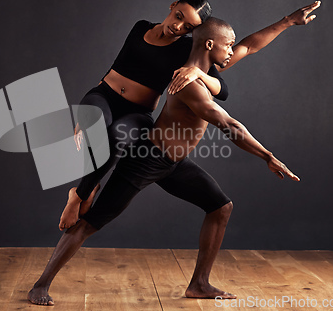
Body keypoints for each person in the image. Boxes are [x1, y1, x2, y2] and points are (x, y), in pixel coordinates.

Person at [28, 18, 301, 306]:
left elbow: (249, 47)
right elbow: (228, 124)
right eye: (228, 45)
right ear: (209, 45)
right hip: (146, 160)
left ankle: (199, 284)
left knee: (220, 207)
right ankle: (40, 285)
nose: (233, 50)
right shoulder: (188, 84)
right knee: (91, 223)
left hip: (173, 163)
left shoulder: (204, 71)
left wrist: (288, 21)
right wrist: (268, 156)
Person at [59, 0, 320, 231]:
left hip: (139, 112)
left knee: (117, 137)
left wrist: (200, 73)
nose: (178, 26)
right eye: (179, 16)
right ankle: (84, 190)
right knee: (95, 125)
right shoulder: (140, 27)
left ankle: (79, 195)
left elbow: (239, 60)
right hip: (103, 95)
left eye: (188, 27)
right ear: (172, 6)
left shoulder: (183, 52)